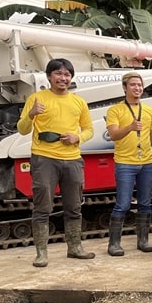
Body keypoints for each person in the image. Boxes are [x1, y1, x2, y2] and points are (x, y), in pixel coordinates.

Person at [16, 58, 95, 267]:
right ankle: (41, 253)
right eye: (58, 74)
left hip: (72, 159)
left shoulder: (78, 102)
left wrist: (77, 138)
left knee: (74, 206)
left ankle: (75, 248)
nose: (63, 78)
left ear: (71, 78)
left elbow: (89, 130)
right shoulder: (36, 98)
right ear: (49, 76)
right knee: (42, 207)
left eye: (67, 74)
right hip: (44, 158)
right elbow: (22, 129)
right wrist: (31, 114)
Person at [104, 71, 152, 256]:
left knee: (145, 203)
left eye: (140, 85)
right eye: (133, 85)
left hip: (147, 162)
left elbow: (150, 136)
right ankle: (114, 244)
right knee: (123, 204)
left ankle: (143, 240)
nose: (137, 88)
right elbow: (113, 135)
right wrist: (130, 128)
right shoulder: (115, 110)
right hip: (125, 163)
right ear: (125, 87)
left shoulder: (149, 111)